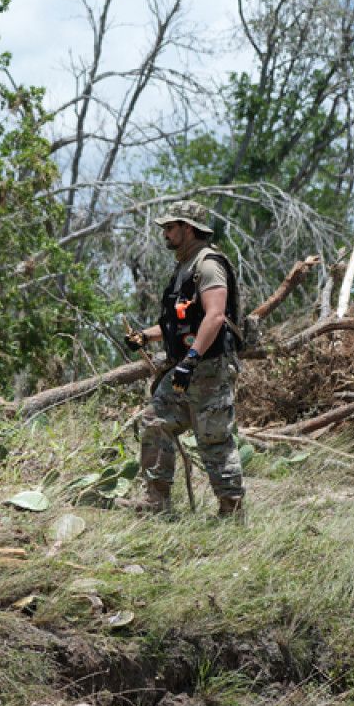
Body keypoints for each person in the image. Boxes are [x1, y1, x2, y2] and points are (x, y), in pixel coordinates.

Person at [123, 200, 246, 518]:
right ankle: (157, 502)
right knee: (154, 422)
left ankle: (231, 512)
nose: (165, 233)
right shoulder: (184, 268)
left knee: (214, 439)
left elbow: (215, 316)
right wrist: (145, 336)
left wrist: (190, 360)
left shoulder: (208, 265)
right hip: (185, 369)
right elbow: (180, 324)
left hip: (208, 368)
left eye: (170, 227)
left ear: (187, 229)